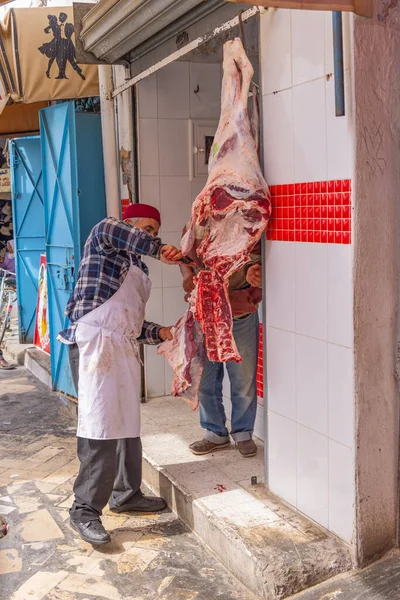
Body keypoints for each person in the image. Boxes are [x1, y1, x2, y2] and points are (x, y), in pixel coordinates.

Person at [58, 204, 183, 545]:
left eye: (156, 232)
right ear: (128, 225)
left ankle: (126, 494)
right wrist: (161, 249)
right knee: (100, 427)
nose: (151, 236)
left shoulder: (140, 269)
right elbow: (115, 232)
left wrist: (160, 333)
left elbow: (130, 324)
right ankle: (84, 509)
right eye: (146, 228)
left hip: (122, 347)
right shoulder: (104, 236)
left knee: (127, 425)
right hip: (94, 344)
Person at [180, 221, 262, 459]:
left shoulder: (248, 222)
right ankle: (215, 433)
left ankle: (243, 433)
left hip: (241, 309)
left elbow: (258, 261)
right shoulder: (196, 223)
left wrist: (254, 273)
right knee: (205, 378)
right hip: (204, 311)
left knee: (243, 378)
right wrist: (187, 276)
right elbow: (185, 259)